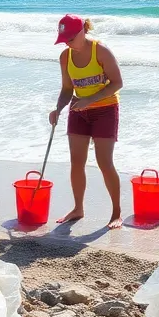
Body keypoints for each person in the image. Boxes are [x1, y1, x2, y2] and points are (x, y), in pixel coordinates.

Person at [49, 14, 125, 229]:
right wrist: (58, 109)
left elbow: (117, 83)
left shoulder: (100, 51)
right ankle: (78, 208)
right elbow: (67, 89)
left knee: (104, 162)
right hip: (78, 111)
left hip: (105, 110)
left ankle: (116, 213)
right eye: (64, 40)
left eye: (70, 39)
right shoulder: (65, 57)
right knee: (76, 162)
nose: (67, 43)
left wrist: (90, 99)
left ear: (83, 31)